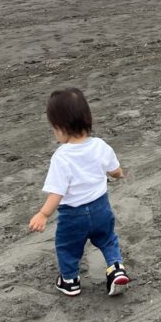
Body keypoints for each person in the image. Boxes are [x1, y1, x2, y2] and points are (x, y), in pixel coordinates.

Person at [28, 88, 131, 297]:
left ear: (61, 128)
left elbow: (57, 193)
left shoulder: (61, 157)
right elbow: (114, 170)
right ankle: (115, 268)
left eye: (54, 128)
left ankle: (70, 280)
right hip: (101, 208)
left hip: (73, 216)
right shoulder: (100, 146)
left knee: (67, 247)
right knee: (108, 239)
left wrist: (43, 214)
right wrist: (119, 175)